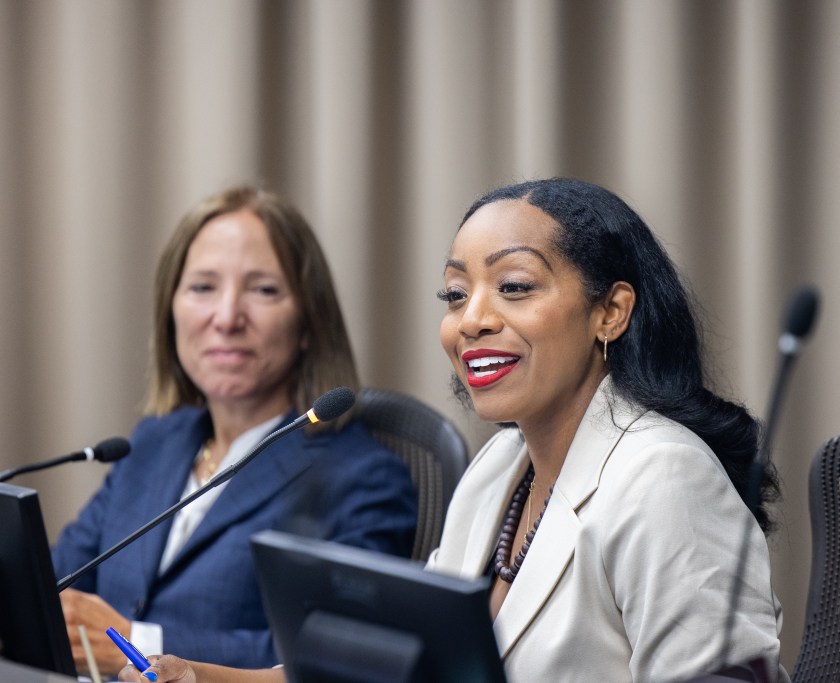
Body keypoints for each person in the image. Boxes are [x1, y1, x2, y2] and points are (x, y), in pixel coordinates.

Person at [119, 178, 788, 683]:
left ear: (610, 311)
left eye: (515, 286)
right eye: (455, 294)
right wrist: (198, 676)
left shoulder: (666, 476)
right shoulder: (499, 467)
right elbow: (392, 668)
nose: (472, 319)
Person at [52, 184, 418, 677]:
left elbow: (328, 656)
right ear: (170, 311)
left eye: (263, 290)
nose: (226, 318)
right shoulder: (155, 441)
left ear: (309, 322)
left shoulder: (362, 478)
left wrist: (138, 644)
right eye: (203, 287)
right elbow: (57, 583)